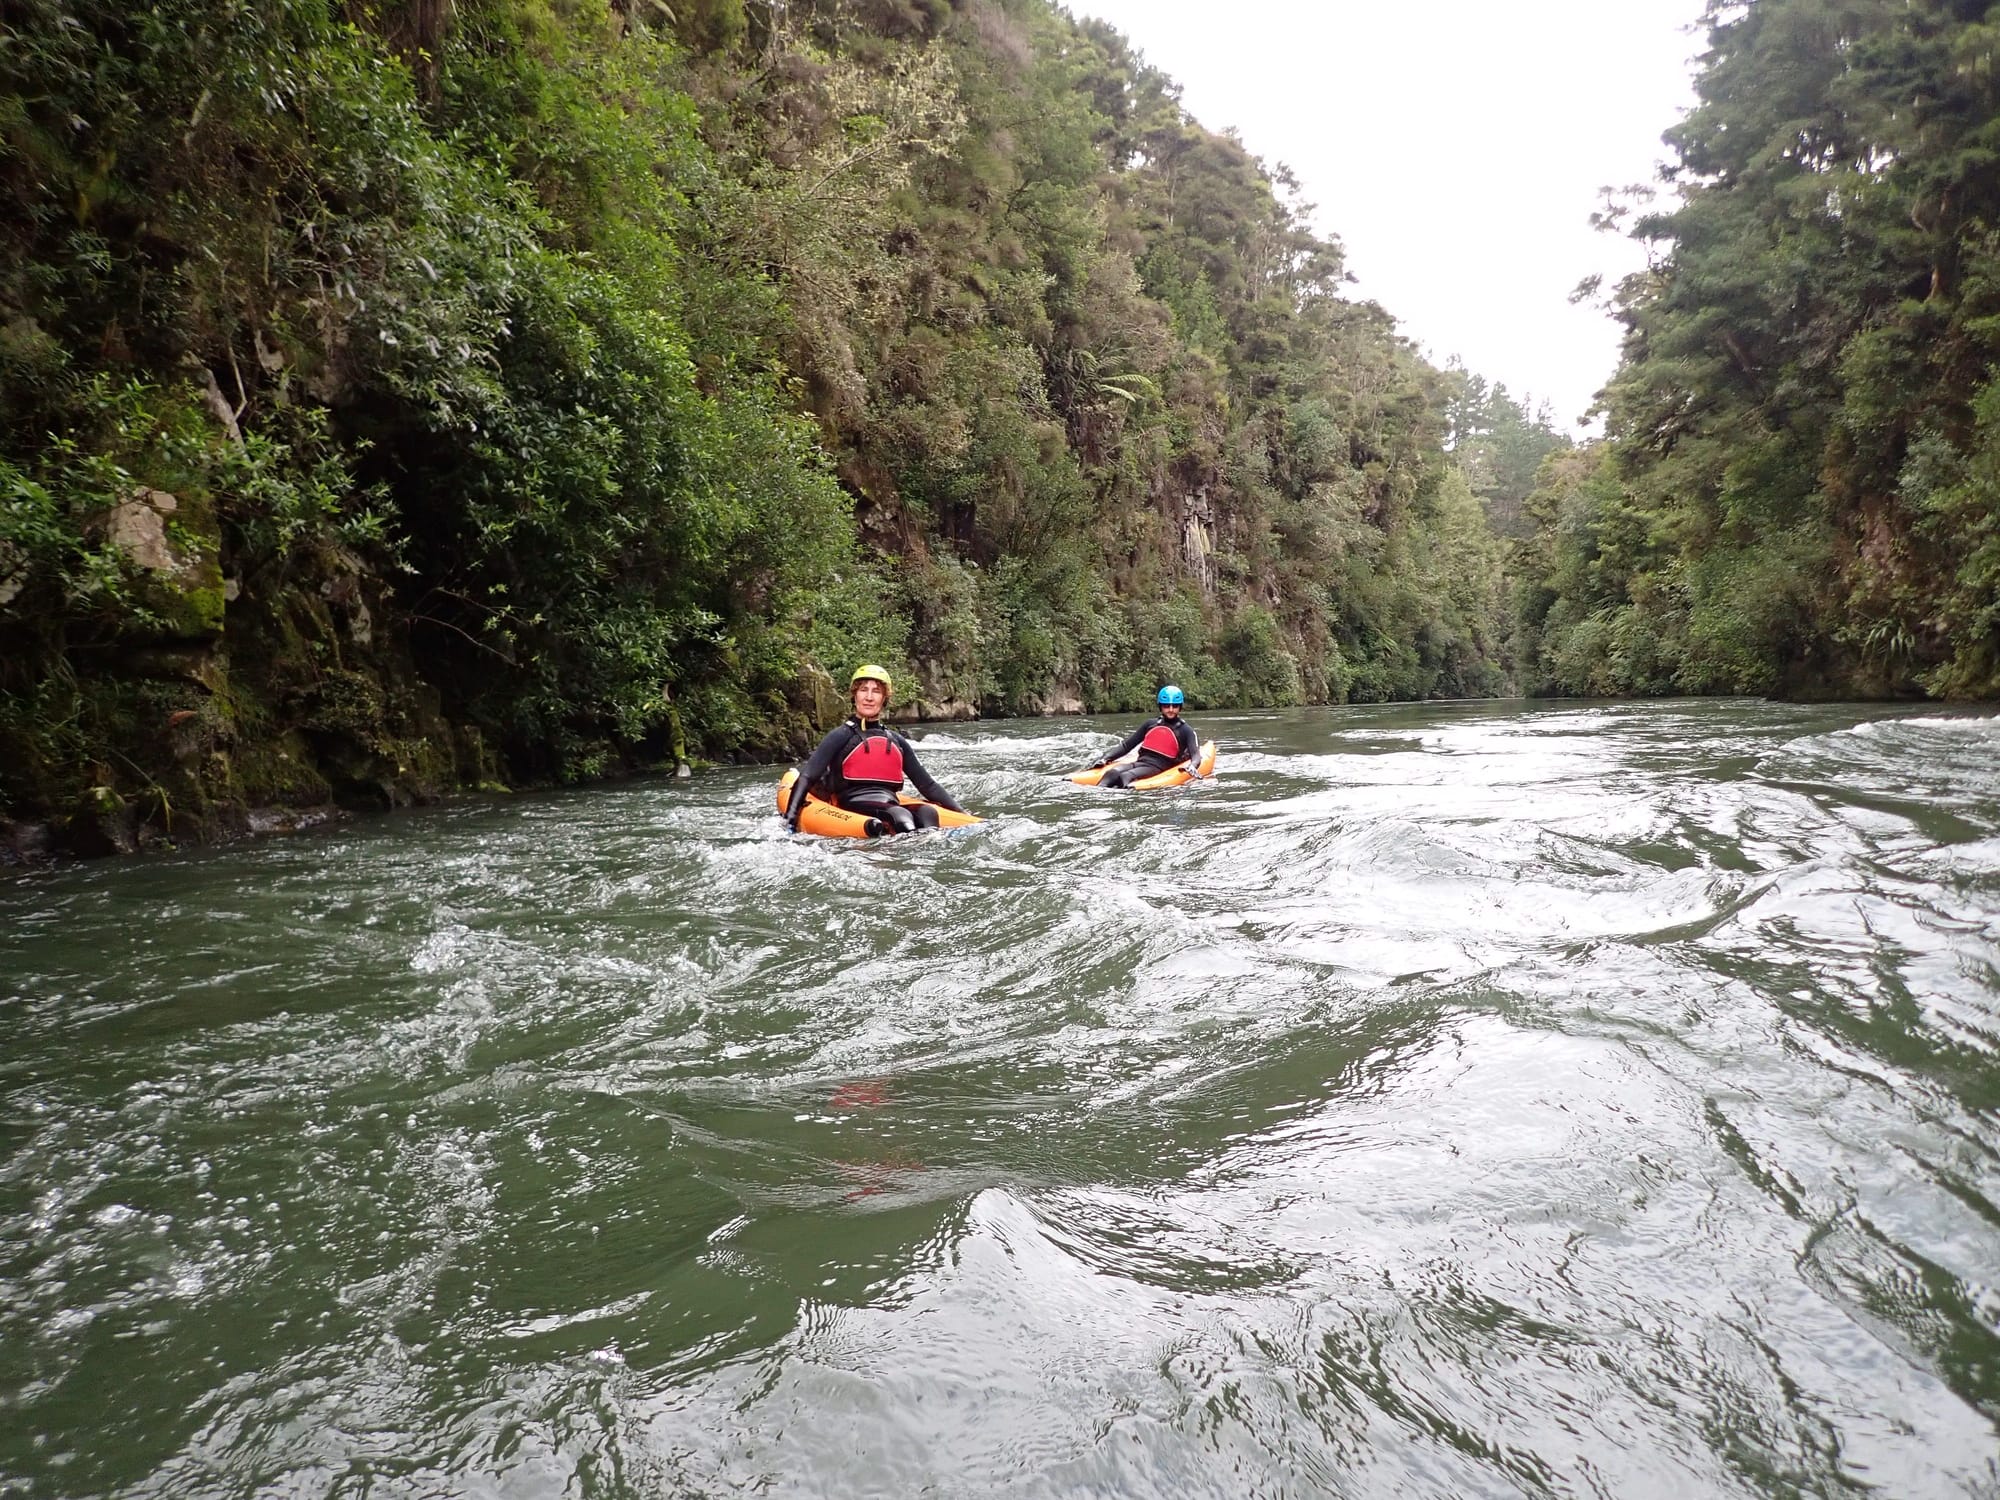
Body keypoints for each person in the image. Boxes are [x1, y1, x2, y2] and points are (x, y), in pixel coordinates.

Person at [784, 665, 967, 834]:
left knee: (927, 812)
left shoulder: (896, 741)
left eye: (876, 691)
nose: (869, 697)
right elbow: (808, 776)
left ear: (884, 698)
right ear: (855, 695)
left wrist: (962, 813)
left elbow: (927, 785)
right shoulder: (841, 735)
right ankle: (908, 849)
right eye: (863, 690)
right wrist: (790, 819)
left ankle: (926, 852)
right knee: (899, 815)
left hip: (888, 802)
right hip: (853, 803)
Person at [1087, 685, 1203, 788]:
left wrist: (1193, 766)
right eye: (1166, 706)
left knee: (1125, 776)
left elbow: (1196, 755)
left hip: (1158, 768)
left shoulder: (1186, 731)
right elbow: (1127, 746)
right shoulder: (1150, 724)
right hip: (1141, 762)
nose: (1171, 709)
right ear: (1161, 706)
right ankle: (1096, 796)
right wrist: (1106, 758)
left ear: (1180, 707)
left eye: (1175, 706)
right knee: (1112, 773)